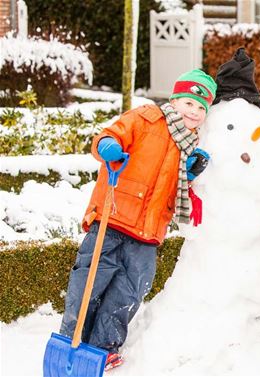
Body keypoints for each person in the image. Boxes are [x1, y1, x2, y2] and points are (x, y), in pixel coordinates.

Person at [59, 69, 217, 371]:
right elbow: (109, 135)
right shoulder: (146, 118)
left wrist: (190, 174)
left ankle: (105, 345)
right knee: (89, 282)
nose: (195, 112)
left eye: (201, 108)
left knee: (130, 290)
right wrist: (107, 145)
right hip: (113, 217)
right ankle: (72, 337)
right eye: (189, 103)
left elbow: (175, 187)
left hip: (149, 233)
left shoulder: (190, 145)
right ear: (175, 100)